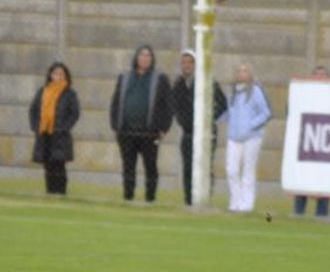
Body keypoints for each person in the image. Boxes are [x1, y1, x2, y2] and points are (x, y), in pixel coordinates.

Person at [108, 44, 173, 202]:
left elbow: (168, 105)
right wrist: (116, 126)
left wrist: (164, 128)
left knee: (151, 168)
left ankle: (150, 199)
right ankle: (128, 197)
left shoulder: (160, 79)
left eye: (148, 56)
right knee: (128, 167)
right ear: (136, 58)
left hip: (149, 133)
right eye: (142, 55)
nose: (145, 58)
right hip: (127, 132)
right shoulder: (125, 77)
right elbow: (116, 102)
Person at [171, 48, 227, 206]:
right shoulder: (178, 84)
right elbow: (174, 106)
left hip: (206, 133)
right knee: (187, 168)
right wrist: (183, 120)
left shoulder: (208, 81)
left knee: (205, 168)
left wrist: (208, 119)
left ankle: (204, 200)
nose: (186, 65)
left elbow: (222, 104)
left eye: (190, 62)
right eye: (184, 62)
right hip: (188, 133)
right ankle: (189, 201)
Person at [224, 61, 273, 213]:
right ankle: (235, 201)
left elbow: (266, 112)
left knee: (248, 170)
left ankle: (247, 204)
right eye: (239, 71)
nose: (241, 74)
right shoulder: (232, 92)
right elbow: (229, 113)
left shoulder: (256, 91)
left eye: (245, 71)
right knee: (231, 170)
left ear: (250, 74)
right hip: (234, 136)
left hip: (252, 137)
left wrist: (251, 125)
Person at [28, 61, 80, 196]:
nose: (58, 76)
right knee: (48, 166)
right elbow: (33, 110)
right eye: (55, 73)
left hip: (60, 136)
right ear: (50, 75)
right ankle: (49, 192)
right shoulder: (43, 91)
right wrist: (36, 127)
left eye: (61, 74)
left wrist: (63, 128)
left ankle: (60, 193)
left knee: (59, 165)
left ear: (66, 76)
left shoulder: (69, 93)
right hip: (44, 134)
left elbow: (74, 113)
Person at [293, 65, 330, 218]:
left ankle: (322, 216)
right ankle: (298, 214)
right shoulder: (302, 96)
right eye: (316, 75)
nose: (319, 78)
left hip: (326, 147)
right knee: (301, 182)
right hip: (306, 145)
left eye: (323, 75)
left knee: (324, 183)